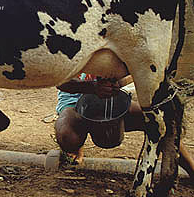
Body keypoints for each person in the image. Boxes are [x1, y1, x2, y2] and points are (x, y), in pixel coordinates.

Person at [54, 74, 194, 181]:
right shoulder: (71, 46)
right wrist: (92, 87)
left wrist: (118, 83)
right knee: (67, 136)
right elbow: (59, 81)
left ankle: (191, 168)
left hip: (111, 99)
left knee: (161, 123)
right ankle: (75, 147)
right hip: (74, 105)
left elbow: (135, 71)